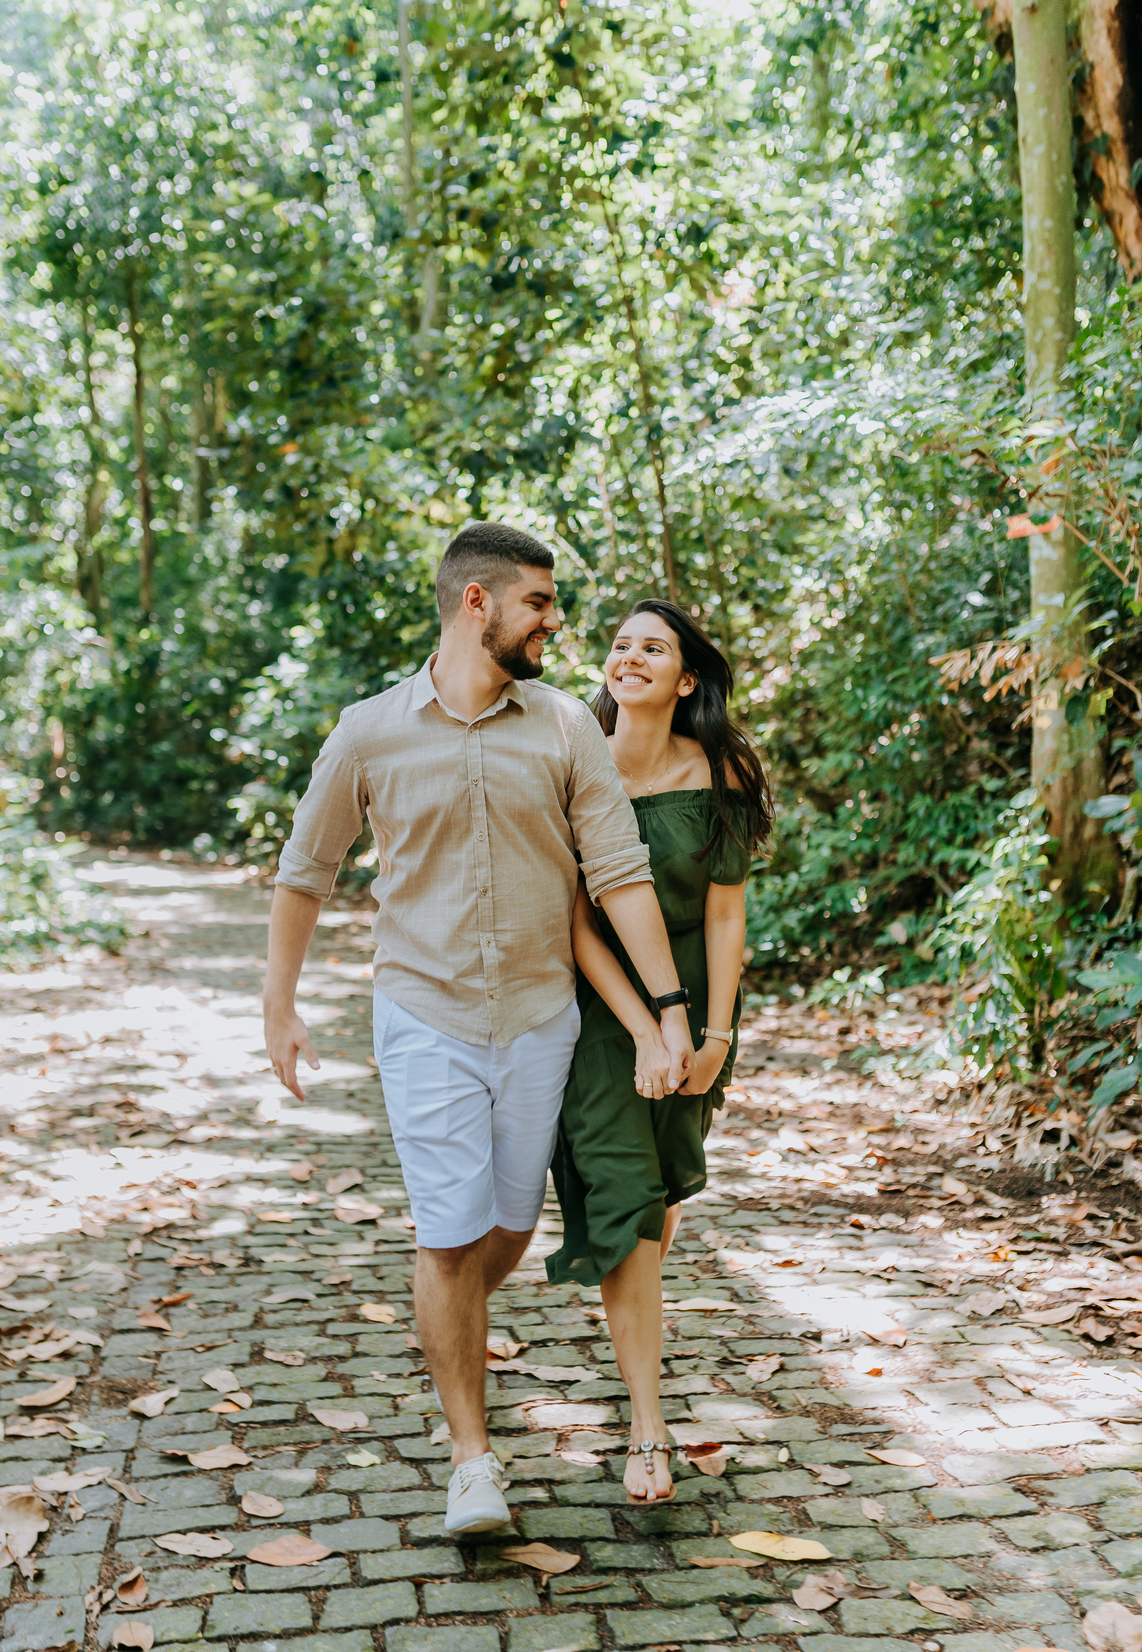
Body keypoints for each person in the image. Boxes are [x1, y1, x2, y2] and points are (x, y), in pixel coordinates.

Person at [262, 524, 696, 1537]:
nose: (555, 620)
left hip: (541, 1017)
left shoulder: (559, 727)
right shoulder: (369, 731)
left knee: (505, 1227)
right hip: (424, 1015)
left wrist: (668, 1013)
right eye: (539, 602)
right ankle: (473, 1461)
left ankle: (445, 1314)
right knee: (449, 1236)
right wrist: (279, 1004)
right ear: (477, 604)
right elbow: (304, 869)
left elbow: (621, 873)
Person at [546, 599, 773, 1504]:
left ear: (685, 681)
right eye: (619, 643)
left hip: (702, 1000)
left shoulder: (716, 769)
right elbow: (572, 921)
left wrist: (715, 1034)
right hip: (602, 1009)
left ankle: (637, 1332)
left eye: (654, 647)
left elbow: (725, 911)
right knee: (629, 1201)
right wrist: (646, 1026)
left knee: (665, 1196)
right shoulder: (568, 754)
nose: (629, 655)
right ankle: (649, 1426)